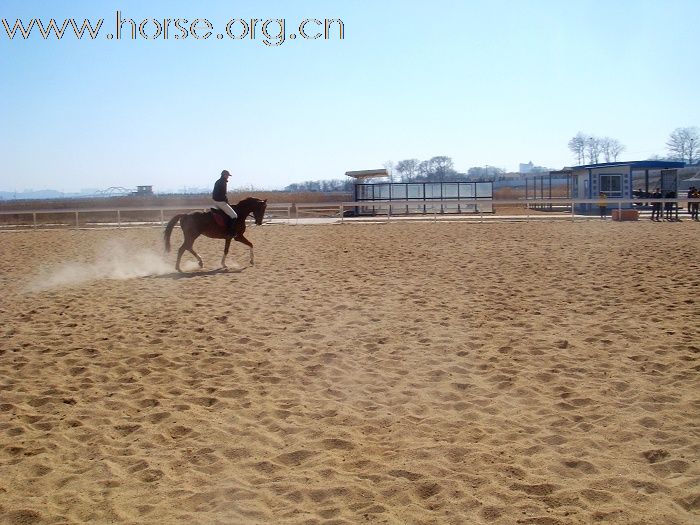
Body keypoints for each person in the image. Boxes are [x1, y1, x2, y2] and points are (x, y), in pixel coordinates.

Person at [212, 170, 238, 234]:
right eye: (227, 175)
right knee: (234, 216)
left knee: (225, 214)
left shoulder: (218, 181)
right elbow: (223, 194)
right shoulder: (223, 182)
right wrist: (227, 202)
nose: (228, 177)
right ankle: (229, 231)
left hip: (215, 201)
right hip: (221, 202)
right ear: (224, 175)